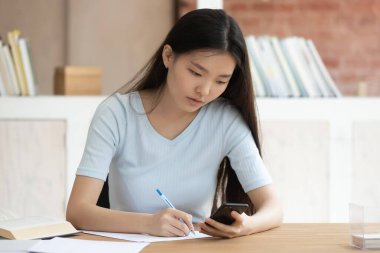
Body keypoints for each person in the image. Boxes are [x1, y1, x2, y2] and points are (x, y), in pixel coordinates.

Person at [66, 8, 282, 238]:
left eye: (221, 81)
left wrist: (247, 225)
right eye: (196, 73)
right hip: (129, 248)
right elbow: (78, 211)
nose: (205, 90)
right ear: (168, 56)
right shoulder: (116, 114)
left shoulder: (225, 121)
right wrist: (149, 223)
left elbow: (273, 208)